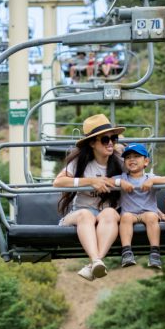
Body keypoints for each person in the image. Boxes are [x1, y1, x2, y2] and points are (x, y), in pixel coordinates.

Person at [53, 114, 125, 281]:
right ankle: (96, 260)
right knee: (86, 214)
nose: (111, 143)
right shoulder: (81, 162)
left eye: (113, 139)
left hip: (106, 214)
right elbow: (58, 182)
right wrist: (90, 181)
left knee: (110, 213)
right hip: (82, 213)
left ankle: (95, 262)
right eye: (105, 140)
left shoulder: (119, 161)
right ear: (92, 143)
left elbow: (141, 179)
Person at [113, 143, 165, 270]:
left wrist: (153, 181)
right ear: (124, 162)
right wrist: (120, 183)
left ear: (146, 161)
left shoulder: (149, 177)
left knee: (152, 217)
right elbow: (107, 181)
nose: (132, 159)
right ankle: (127, 251)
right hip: (130, 213)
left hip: (147, 212)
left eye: (136, 156)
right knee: (125, 218)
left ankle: (155, 252)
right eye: (128, 157)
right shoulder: (123, 178)